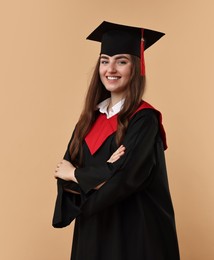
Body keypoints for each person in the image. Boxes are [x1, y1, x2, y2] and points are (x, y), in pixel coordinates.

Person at [52, 21, 180, 260]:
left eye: (121, 61)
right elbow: (63, 174)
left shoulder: (144, 119)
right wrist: (107, 170)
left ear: (136, 67)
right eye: (104, 61)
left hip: (136, 232)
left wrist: (77, 174)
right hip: (94, 231)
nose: (110, 69)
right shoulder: (88, 120)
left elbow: (127, 178)